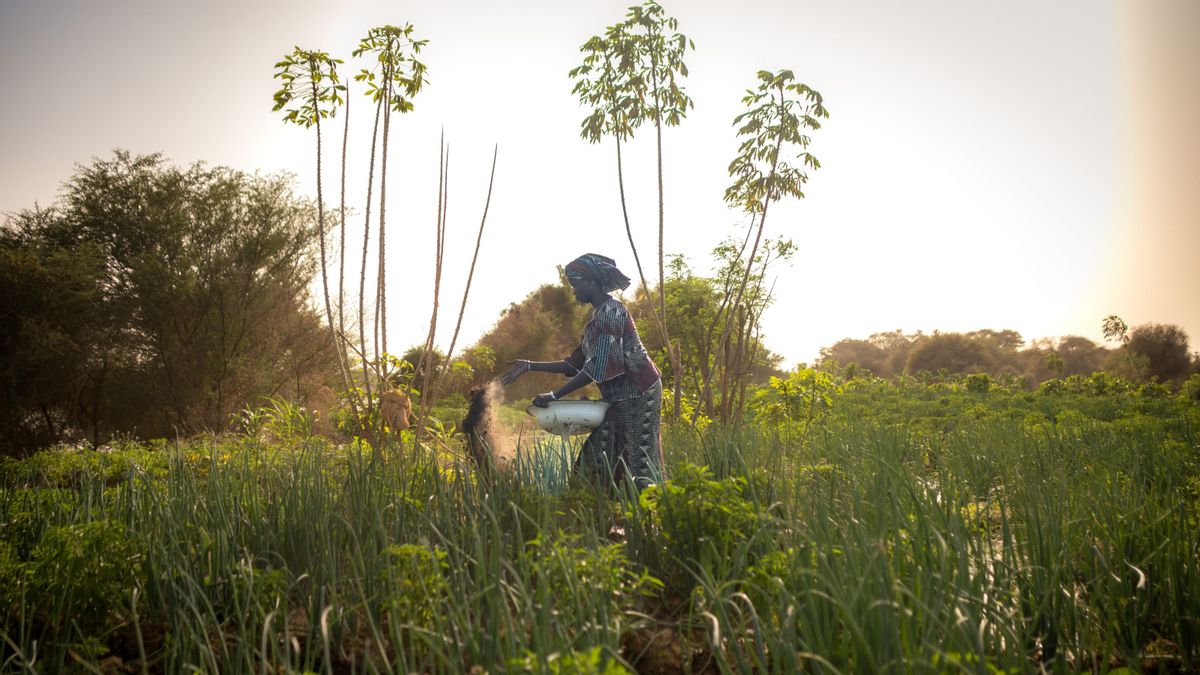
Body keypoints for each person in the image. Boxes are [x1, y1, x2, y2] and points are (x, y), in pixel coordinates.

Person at [501, 253, 664, 490]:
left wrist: (555, 396)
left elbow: (596, 368)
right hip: (617, 398)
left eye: (576, 285)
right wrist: (528, 365)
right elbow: (573, 364)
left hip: (639, 394)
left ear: (591, 282)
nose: (574, 291)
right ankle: (603, 512)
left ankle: (645, 514)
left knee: (638, 460)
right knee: (598, 454)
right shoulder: (596, 319)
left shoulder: (613, 312)